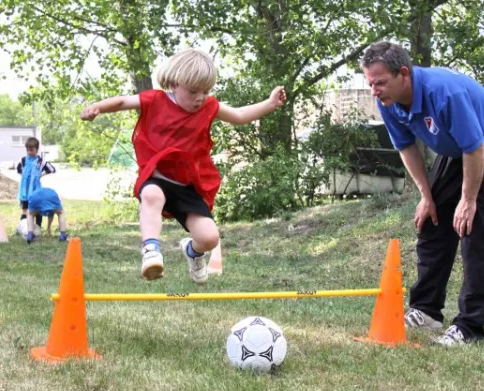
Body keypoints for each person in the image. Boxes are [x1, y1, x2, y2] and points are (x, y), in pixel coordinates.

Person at [80, 49, 286, 284]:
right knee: (151, 195)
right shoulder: (155, 100)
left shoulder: (209, 107)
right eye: (193, 91)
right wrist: (97, 107)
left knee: (210, 239)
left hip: (188, 185)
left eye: (206, 91)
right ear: (175, 83)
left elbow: (239, 115)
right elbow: (123, 101)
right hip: (158, 176)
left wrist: (270, 104)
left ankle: (193, 252)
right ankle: (150, 250)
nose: (200, 97)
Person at [361, 41, 484, 346]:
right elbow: (406, 146)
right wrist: (426, 196)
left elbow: (475, 146)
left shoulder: (444, 93)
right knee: (431, 221)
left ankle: (469, 327)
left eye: (380, 82)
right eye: (370, 83)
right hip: (457, 150)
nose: (374, 91)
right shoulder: (388, 101)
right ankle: (426, 310)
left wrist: (468, 201)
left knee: (474, 230)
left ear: (403, 73)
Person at [17, 137, 56, 230]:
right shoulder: (23, 160)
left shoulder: (40, 161)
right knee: (25, 210)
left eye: (32, 150)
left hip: (35, 189)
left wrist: (40, 175)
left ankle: (38, 228)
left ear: (37, 149)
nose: (29, 152)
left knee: (37, 209)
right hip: (24, 190)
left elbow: (52, 169)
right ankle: (24, 228)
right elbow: (19, 170)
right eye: (27, 150)